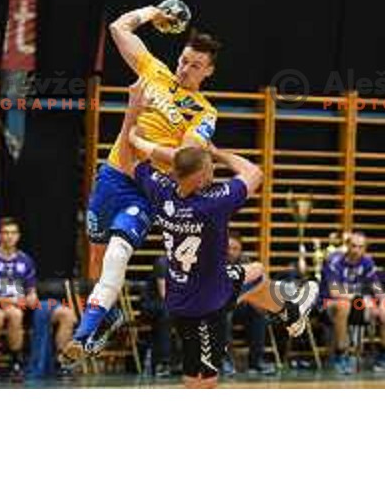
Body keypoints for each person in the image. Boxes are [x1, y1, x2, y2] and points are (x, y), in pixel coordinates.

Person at [106, 83, 314, 387]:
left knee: (255, 272)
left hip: (188, 288)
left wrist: (132, 121)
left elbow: (128, 160)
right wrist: (219, 152)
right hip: (203, 306)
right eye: (210, 168)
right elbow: (254, 173)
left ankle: (290, 311)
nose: (213, 172)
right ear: (203, 176)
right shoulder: (213, 202)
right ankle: (287, 311)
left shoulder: (161, 189)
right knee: (202, 381)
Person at [68, 2, 220, 359]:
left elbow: (185, 159)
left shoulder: (204, 111)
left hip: (145, 185)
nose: (185, 69)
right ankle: (110, 313)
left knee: (119, 251)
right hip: (111, 176)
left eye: (196, 66)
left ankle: (84, 331)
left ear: (209, 72)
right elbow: (120, 28)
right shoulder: (155, 71)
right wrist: (154, 12)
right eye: (184, 60)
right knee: (97, 254)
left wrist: (141, 144)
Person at [0, 218, 37, 380]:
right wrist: (6, 301)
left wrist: (32, 296)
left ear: (18, 236)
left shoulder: (25, 260)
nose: (9, 236)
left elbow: (31, 289)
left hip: (14, 306)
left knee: (15, 315)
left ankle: (16, 364)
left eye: (13, 233)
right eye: (5, 233)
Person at [321, 231, 384, 374]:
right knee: (344, 304)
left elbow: (376, 287)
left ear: (365, 248)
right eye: (354, 246)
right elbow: (335, 292)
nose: (356, 250)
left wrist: (381, 299)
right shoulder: (334, 261)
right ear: (347, 246)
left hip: (356, 303)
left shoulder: (367, 262)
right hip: (328, 303)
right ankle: (341, 354)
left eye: (360, 247)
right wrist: (360, 298)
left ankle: (382, 356)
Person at [222, 231, 272, 375]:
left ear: (240, 250)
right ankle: (224, 360)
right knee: (223, 317)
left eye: (235, 249)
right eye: (228, 248)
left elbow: (262, 283)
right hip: (218, 308)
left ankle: (256, 362)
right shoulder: (215, 262)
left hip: (239, 305)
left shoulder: (246, 262)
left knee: (258, 312)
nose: (231, 252)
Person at [140, 256, 171, 377]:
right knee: (166, 313)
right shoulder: (162, 263)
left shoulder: (187, 263)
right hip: (151, 303)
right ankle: (163, 363)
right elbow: (164, 295)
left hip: (170, 304)